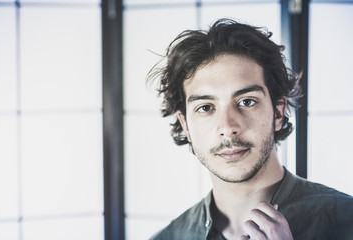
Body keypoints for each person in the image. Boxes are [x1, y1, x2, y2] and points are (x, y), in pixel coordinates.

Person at [147, 18, 353, 240]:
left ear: (278, 112)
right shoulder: (169, 237)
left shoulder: (346, 219)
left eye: (246, 101)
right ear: (186, 125)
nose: (227, 127)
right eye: (205, 107)